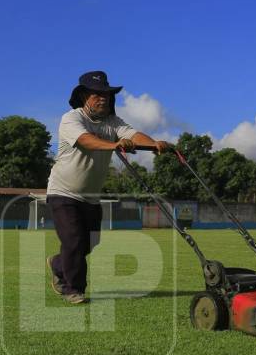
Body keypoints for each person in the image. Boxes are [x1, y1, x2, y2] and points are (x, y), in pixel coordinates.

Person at [46, 71, 171, 304]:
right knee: (74, 240)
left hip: (91, 197)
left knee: (90, 243)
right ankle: (74, 289)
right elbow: (85, 140)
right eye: (97, 94)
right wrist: (114, 144)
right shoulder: (72, 119)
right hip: (63, 192)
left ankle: (58, 264)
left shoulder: (113, 123)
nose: (103, 98)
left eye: (106, 94)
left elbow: (133, 135)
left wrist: (154, 144)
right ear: (84, 96)